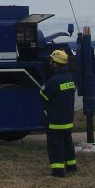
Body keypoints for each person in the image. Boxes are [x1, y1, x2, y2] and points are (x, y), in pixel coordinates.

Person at [40, 49, 77, 177]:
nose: (50, 63)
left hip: (55, 121)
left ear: (56, 63)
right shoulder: (70, 78)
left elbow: (43, 96)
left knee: (56, 147)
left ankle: (58, 171)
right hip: (67, 120)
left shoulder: (53, 81)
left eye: (51, 61)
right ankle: (71, 167)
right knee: (68, 145)